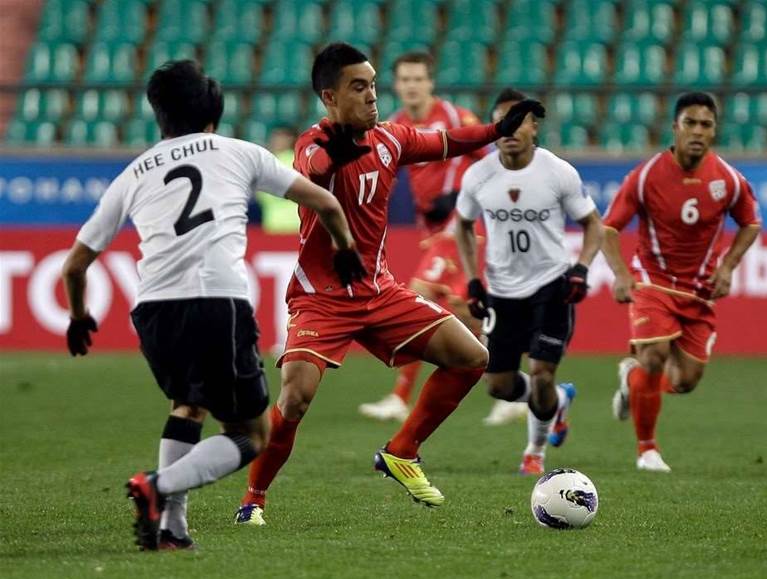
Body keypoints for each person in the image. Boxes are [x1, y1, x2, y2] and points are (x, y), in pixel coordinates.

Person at [234, 43, 545, 524]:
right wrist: (332, 160)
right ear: (330, 97)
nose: (373, 95)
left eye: (374, 84)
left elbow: (447, 142)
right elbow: (313, 170)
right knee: (294, 398)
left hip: (379, 292)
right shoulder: (311, 145)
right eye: (359, 87)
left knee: (472, 357)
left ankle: (402, 449)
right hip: (322, 299)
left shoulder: (390, 140)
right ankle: (253, 498)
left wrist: (497, 130)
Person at [61, 60, 363, 551]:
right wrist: (346, 250)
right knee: (252, 435)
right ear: (214, 115)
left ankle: (172, 528)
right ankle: (160, 485)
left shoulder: (135, 171)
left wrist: (78, 317)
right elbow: (327, 205)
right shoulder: (240, 152)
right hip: (215, 302)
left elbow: (74, 266)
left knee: (188, 405)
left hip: (154, 310)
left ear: (159, 116)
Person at [601, 91, 762, 472]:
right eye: (690, 123)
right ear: (675, 128)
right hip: (652, 282)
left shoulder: (728, 180)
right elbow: (609, 229)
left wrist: (727, 268)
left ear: (714, 131)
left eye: (706, 125)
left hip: (700, 290)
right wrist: (622, 275)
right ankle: (647, 450)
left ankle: (633, 376)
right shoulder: (645, 176)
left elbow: (751, 223)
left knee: (685, 380)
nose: (697, 131)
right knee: (654, 355)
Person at [455, 88, 604, 475]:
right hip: (502, 294)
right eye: (501, 120)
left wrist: (582, 268)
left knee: (540, 373)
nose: (508, 129)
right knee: (498, 386)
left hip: (550, 288)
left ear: (533, 127)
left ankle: (534, 451)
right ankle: (558, 400)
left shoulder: (557, 172)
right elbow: (463, 225)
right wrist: (473, 279)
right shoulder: (478, 175)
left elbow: (593, 224)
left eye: (517, 120)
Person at [357, 51, 505, 423]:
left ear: (430, 83)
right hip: (433, 230)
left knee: (419, 297)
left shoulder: (455, 118)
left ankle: (400, 396)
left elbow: (493, 160)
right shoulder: (396, 125)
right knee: (462, 315)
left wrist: (461, 197)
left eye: (417, 79)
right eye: (404, 80)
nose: (411, 86)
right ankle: (514, 383)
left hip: (463, 227)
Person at [257, 125, 301, 233]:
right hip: (281, 224)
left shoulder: (270, 163)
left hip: (281, 224)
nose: (277, 141)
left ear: (291, 139)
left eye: (282, 137)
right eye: (276, 137)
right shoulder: (268, 161)